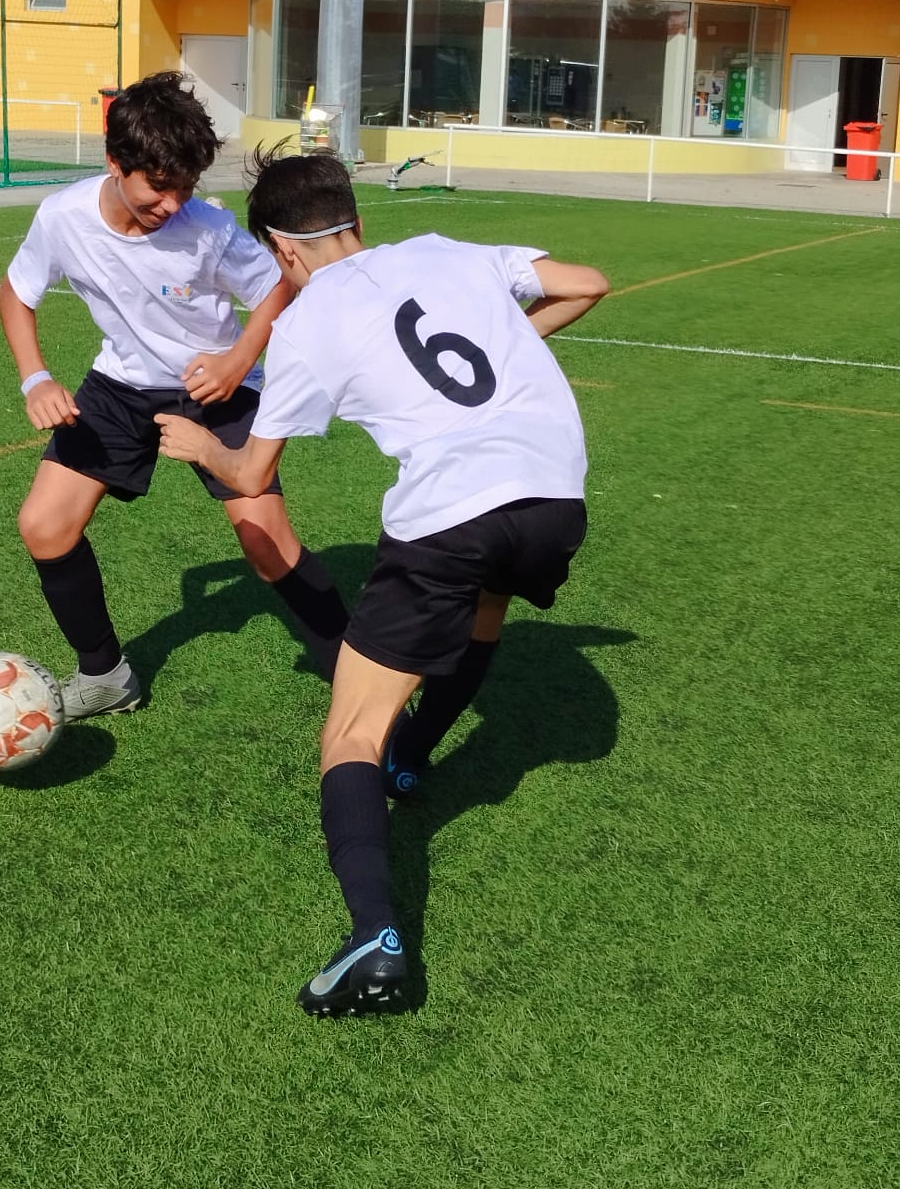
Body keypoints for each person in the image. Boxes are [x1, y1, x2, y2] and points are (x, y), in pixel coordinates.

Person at [154, 150, 609, 1016]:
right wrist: (512, 343)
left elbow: (252, 477)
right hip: (556, 497)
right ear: (352, 218)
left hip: (452, 512)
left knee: (348, 732)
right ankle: (418, 755)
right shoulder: (445, 249)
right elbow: (587, 283)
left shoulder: (305, 325)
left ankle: (374, 939)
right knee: (486, 606)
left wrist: (200, 446)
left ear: (284, 252)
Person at [0, 75, 349, 719]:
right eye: (159, 187)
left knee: (265, 543)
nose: (172, 202)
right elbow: (16, 293)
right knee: (44, 526)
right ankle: (105, 676)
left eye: (185, 187)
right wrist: (36, 377)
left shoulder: (208, 228)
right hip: (119, 387)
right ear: (115, 163)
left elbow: (279, 286)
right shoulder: (62, 218)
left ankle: (359, 678)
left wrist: (238, 358)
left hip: (220, 388)